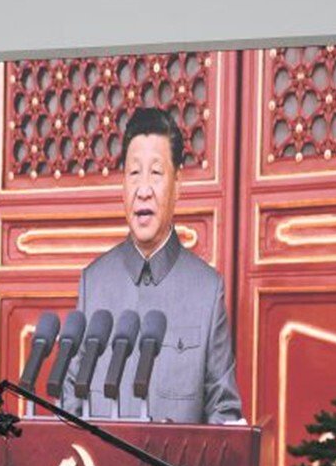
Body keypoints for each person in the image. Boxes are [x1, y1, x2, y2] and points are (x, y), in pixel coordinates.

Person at [63, 106, 242, 425]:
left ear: (177, 186)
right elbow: (70, 403)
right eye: (134, 174)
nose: (143, 190)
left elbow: (223, 411)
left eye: (156, 174)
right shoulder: (94, 282)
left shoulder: (206, 289)